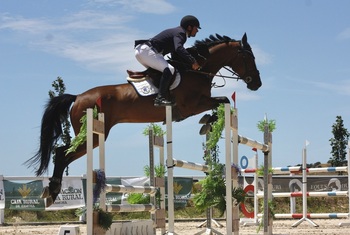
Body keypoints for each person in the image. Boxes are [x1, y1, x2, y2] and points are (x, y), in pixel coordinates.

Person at [135, 15, 201, 107]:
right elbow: (178, 48)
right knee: (170, 70)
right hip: (148, 51)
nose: (197, 30)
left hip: (143, 51)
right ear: (189, 27)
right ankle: (160, 99)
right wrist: (193, 61)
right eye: (196, 28)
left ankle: (157, 94)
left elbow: (175, 53)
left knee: (162, 71)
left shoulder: (178, 31)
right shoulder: (181, 33)